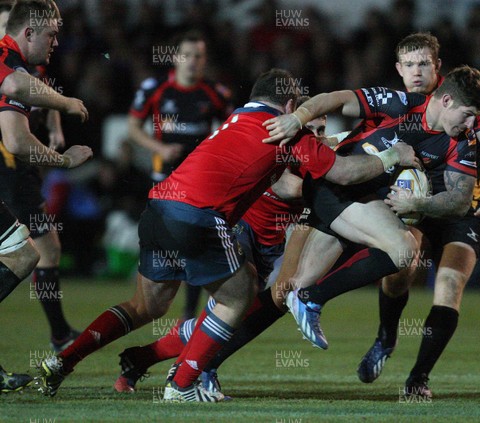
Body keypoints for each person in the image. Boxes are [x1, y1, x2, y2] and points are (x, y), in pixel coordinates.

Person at [38, 68, 417, 401]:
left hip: (160, 207)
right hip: (207, 220)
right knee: (239, 296)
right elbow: (339, 174)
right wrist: (388, 158)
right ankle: (184, 383)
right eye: (306, 120)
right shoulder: (288, 136)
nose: (313, 131)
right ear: (290, 107)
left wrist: (347, 144)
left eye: (320, 128)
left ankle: (64, 360)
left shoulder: (239, 117)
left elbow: (326, 154)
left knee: (146, 307)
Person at [263, 65, 480, 351]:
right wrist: (297, 118)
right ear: (447, 101)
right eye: (468, 114)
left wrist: (418, 202)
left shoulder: (462, 141)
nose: (470, 124)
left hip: (360, 203)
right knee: (404, 250)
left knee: (288, 291)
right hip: (333, 189)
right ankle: (312, 298)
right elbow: (337, 98)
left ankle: (209, 356)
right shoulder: (401, 104)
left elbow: (460, 201)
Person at [112, 95, 324, 394]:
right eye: (311, 128)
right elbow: (285, 186)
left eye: (322, 131)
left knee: (233, 313)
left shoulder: (312, 153)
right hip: (239, 230)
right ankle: (189, 374)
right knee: (236, 305)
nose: (315, 136)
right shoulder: (281, 144)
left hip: (270, 245)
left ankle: (144, 357)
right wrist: (338, 179)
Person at [355, 33, 480, 398]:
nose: (416, 72)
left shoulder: (464, 98)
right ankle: (386, 336)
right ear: (399, 69)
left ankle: (417, 380)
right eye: (409, 65)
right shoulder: (398, 104)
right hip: (418, 201)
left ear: (437, 67)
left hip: (466, 207)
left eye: (424, 64)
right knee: (401, 268)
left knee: (448, 285)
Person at [0, 0, 92, 353]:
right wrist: (65, 160)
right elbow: (15, 96)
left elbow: (16, 135)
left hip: (12, 168)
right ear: (28, 33)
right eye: (52, 35)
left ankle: (59, 333)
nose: (56, 42)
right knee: (28, 252)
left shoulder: (19, 70)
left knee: (27, 254)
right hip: (9, 173)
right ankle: (59, 334)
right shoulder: (9, 66)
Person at [128, 30, 233, 321]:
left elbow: (232, 130)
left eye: (198, 56)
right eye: (186, 55)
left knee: (194, 240)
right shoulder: (155, 89)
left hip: (200, 181)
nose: (192, 61)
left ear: (205, 60)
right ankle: (149, 300)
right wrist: (159, 146)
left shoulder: (215, 93)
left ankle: (188, 312)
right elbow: (133, 128)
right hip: (165, 177)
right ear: (175, 58)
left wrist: (211, 150)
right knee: (164, 239)